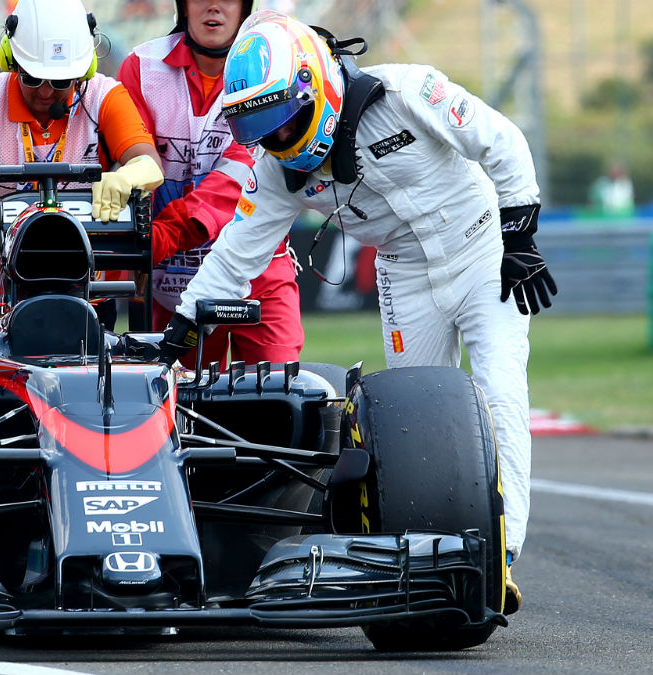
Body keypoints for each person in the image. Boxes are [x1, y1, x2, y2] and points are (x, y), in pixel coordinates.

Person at [161, 12, 557, 615]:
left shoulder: (409, 90)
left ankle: (498, 559)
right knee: (410, 427)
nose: (277, 134)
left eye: (283, 115)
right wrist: (181, 329)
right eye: (259, 125)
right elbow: (237, 251)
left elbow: (502, 142)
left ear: (312, 83)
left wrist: (521, 238)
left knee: (499, 395)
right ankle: (423, 560)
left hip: (483, 254)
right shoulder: (276, 167)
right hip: (404, 274)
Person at [0, 0, 164, 331]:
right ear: (11, 61)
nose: (47, 92)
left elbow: (148, 162)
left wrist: (128, 176)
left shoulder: (105, 96)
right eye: (33, 78)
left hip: (90, 291)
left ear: (85, 70)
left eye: (62, 81)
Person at [117, 0, 303, 366]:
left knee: (281, 400)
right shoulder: (140, 67)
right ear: (183, 6)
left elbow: (235, 183)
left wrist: (158, 238)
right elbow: (126, 161)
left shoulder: (271, 70)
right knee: (180, 413)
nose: (214, 6)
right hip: (170, 285)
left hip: (259, 271)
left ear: (245, 7)